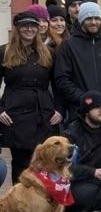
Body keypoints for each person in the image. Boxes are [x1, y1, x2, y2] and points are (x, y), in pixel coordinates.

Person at [0, 11, 63, 183]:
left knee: (45, 162)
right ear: (18, 29)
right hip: (16, 113)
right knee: (21, 163)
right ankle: (19, 205)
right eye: (25, 26)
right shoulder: (4, 52)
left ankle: (42, 205)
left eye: (33, 26)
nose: (29, 29)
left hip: (43, 113)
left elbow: (58, 85)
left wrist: (59, 109)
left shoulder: (48, 53)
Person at [55, 1, 101, 124]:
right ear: (81, 20)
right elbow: (62, 79)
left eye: (97, 18)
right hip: (79, 114)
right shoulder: (68, 45)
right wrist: (85, 100)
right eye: (89, 18)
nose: (93, 22)